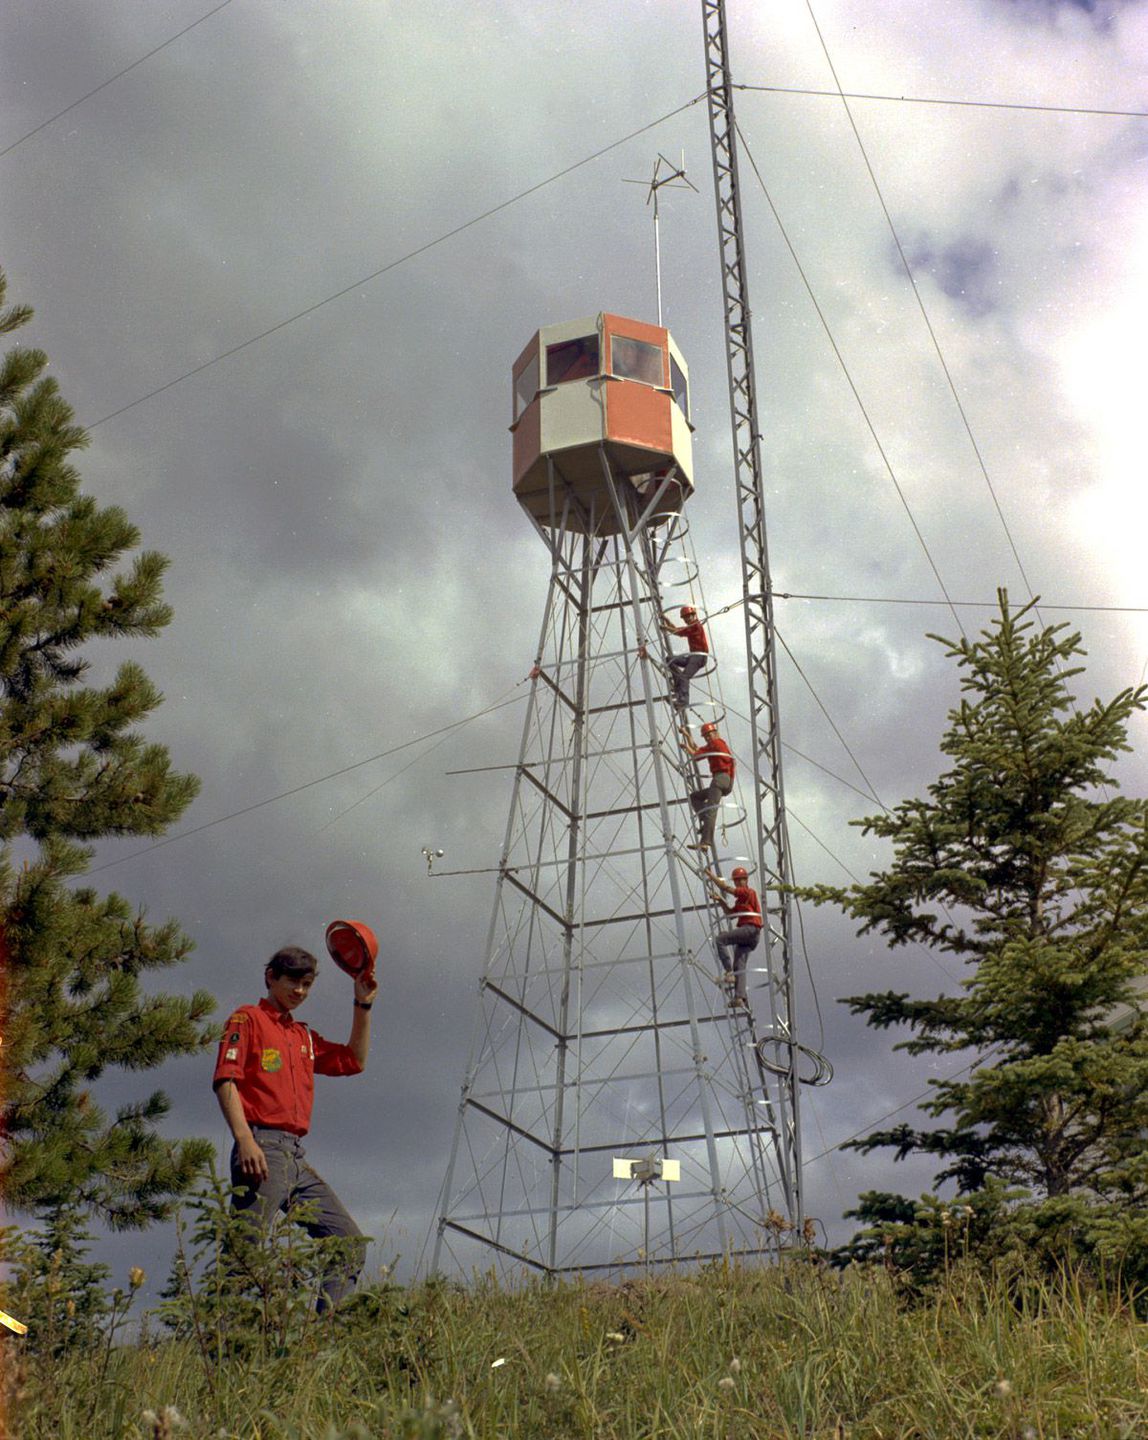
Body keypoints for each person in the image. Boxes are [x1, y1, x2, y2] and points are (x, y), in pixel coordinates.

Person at [212, 944, 379, 1314]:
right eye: (292, 982)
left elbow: (355, 1060)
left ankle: (319, 1342)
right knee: (245, 1249)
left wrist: (362, 1004)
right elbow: (226, 1081)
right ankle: (223, 1347)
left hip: (294, 1155)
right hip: (261, 1147)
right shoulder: (248, 1019)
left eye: (306, 985)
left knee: (348, 1242)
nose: (299, 992)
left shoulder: (302, 1037)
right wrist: (244, 1139)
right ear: (271, 977)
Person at [707, 866, 762, 1010]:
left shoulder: (748, 892)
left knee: (720, 939)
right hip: (750, 936)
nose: (738, 884)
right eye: (736, 881)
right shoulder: (740, 901)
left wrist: (710, 875)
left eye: (740, 880)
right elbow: (730, 913)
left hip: (750, 929)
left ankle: (728, 972)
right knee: (740, 965)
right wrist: (720, 900)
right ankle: (740, 997)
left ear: (746, 880)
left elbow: (725, 888)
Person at [679, 720, 735, 851]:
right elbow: (698, 750)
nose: (708, 738)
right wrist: (687, 735)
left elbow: (696, 755)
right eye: (706, 737)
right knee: (695, 797)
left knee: (711, 810)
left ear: (715, 733)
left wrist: (686, 748)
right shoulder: (714, 744)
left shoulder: (716, 743)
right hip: (724, 781)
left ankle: (705, 842)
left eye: (709, 735)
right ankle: (705, 820)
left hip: (721, 779)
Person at [661, 604, 710, 708]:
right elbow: (677, 629)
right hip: (692, 657)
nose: (686, 620)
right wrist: (666, 620)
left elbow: (679, 632)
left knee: (684, 677)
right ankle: (678, 683)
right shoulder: (691, 627)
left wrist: (665, 627)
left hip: (699, 657)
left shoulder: (696, 625)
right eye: (685, 618)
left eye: (688, 617)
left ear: (693, 615)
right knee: (670, 660)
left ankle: (683, 701)